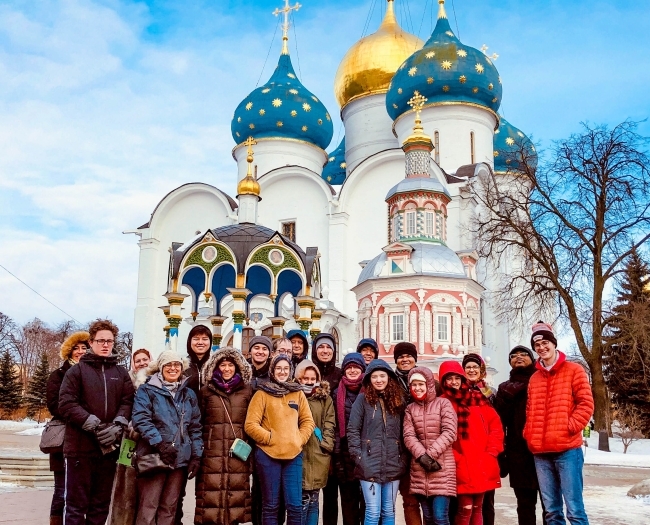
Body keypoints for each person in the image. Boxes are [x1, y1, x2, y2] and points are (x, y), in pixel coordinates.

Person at [58, 319, 134, 525]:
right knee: (76, 506)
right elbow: (66, 403)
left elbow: (128, 401)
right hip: (80, 449)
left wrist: (118, 425)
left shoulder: (121, 373)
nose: (105, 345)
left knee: (100, 506)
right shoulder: (77, 372)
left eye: (109, 341)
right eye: (101, 340)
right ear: (91, 342)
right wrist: (95, 424)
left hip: (108, 450)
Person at [524, 321, 594, 525]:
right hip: (541, 453)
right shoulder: (534, 378)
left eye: (545, 342)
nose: (542, 348)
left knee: (574, 509)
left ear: (554, 344)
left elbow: (586, 404)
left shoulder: (574, 370)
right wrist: (529, 433)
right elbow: (530, 410)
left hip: (567, 450)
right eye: (537, 345)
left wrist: (568, 427)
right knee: (552, 511)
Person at [132, 351, 203, 525]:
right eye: (168, 365)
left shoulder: (188, 394)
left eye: (177, 365)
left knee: (169, 508)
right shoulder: (147, 390)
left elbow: (195, 427)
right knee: (148, 507)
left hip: (179, 459)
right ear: (160, 368)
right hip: (154, 456)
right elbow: (141, 419)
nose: (173, 368)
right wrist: (160, 444)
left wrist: (196, 455)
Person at [245, 354, 315, 525]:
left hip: (293, 455)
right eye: (278, 368)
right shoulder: (262, 393)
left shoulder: (297, 393)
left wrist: (299, 439)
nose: (282, 372)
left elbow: (308, 421)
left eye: (285, 368)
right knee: (271, 505)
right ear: (272, 370)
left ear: (290, 370)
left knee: (295, 506)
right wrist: (269, 438)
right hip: (268, 455)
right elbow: (250, 424)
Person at [194, 347, 254, 525]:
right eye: (222, 365)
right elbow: (198, 422)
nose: (227, 369)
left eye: (230, 365)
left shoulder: (247, 391)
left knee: (234, 503)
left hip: (237, 455)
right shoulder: (206, 391)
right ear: (215, 367)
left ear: (238, 368)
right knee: (210, 505)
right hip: (212, 455)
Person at [439, 360, 503, 525]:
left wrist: (491, 452)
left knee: (478, 507)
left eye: (457, 378)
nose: (454, 382)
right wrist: (456, 458)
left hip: (481, 461)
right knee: (464, 508)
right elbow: (438, 434)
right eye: (449, 378)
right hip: (459, 463)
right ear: (443, 381)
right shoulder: (440, 403)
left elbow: (495, 426)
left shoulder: (477, 398)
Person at [347, 359, 407, 525]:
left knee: (388, 511)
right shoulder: (362, 400)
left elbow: (404, 432)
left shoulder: (398, 401)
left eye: (382, 376)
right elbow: (352, 430)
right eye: (375, 377)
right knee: (373, 512)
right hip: (369, 464)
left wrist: (402, 458)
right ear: (369, 379)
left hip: (393, 464)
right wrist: (359, 458)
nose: (379, 380)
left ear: (389, 378)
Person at [493, 346, 546, 525]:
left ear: (533, 359)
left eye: (524, 354)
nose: (519, 357)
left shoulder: (542, 382)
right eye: (514, 356)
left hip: (544, 450)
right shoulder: (505, 389)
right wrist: (502, 455)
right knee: (524, 504)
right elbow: (499, 424)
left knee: (550, 504)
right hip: (518, 454)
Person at [403, 366, 457, 525]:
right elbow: (408, 435)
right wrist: (421, 456)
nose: (417, 388)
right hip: (420, 470)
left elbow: (449, 432)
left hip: (441, 468)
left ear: (429, 385)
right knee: (427, 517)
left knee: (440, 516)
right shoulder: (410, 409)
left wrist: (430, 455)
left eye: (421, 384)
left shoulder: (443, 404)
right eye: (414, 385)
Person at [45, 331, 89, 525]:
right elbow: (54, 405)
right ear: (69, 352)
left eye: (84, 348)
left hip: (87, 439)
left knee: (83, 492)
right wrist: (79, 414)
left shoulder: (93, 374)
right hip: (64, 438)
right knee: (62, 490)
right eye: (76, 348)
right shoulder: (58, 375)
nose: (80, 352)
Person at [294, 360, 336, 525]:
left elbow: (330, 423)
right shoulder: (295, 397)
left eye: (313, 378)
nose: (310, 381)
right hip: (299, 453)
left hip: (319, 454)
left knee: (314, 500)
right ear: (299, 379)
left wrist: (326, 445)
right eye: (306, 378)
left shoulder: (325, 399)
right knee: (302, 500)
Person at [310, 333, 342, 525]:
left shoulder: (339, 375)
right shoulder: (309, 373)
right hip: (311, 442)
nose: (325, 350)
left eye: (328, 347)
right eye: (321, 347)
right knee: (310, 494)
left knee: (331, 494)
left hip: (334, 442)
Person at [332, 353, 367, 525]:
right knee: (349, 500)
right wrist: (337, 454)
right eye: (349, 367)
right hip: (345, 454)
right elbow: (335, 426)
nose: (352, 370)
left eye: (356, 367)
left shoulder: (370, 390)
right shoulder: (336, 393)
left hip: (367, 453)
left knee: (368, 502)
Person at [462, 353, 496, 525]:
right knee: (465, 504)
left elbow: (497, 421)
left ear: (481, 370)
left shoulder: (489, 392)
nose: (472, 370)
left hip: (485, 452)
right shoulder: (458, 391)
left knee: (486, 501)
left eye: (475, 367)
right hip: (465, 453)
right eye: (468, 367)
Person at [393, 342, 424, 525]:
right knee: (410, 500)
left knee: (428, 499)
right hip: (401, 448)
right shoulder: (391, 382)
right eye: (401, 357)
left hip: (426, 447)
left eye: (408, 356)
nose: (405, 360)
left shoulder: (427, 381)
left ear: (415, 358)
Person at [185, 324, 213, 394]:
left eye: (205, 339)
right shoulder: (182, 365)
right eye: (196, 339)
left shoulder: (216, 364)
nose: (200, 342)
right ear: (189, 341)